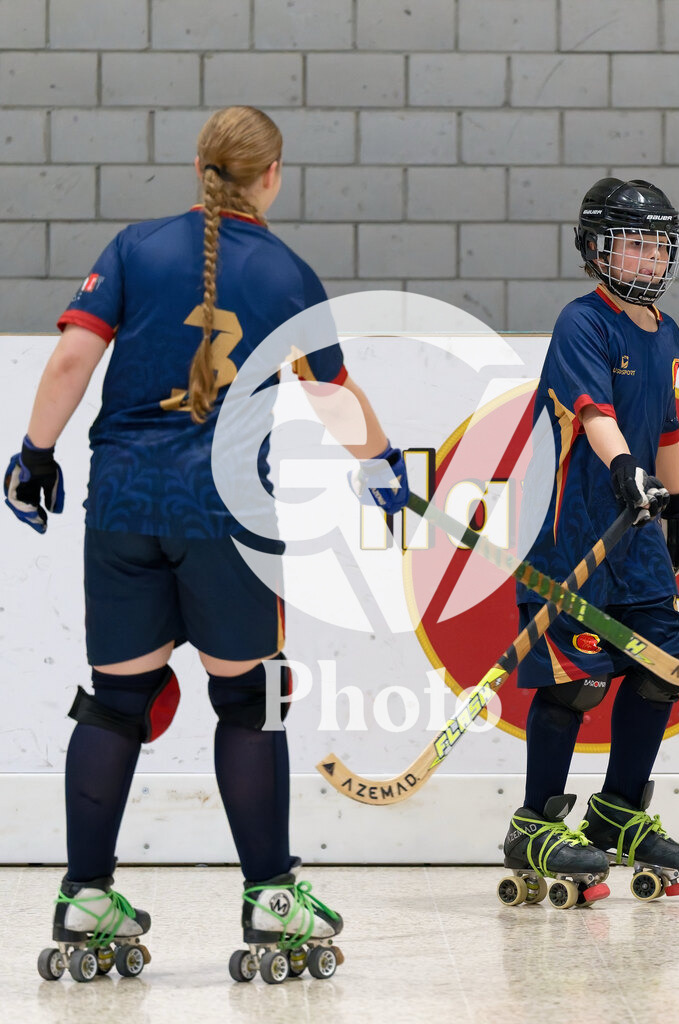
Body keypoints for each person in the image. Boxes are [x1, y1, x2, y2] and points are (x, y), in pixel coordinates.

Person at [4, 105, 409, 983]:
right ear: (272, 177)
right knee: (252, 704)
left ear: (199, 168)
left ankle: (86, 895)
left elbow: (71, 360)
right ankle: (272, 897)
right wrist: (381, 465)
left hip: (124, 506)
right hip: (226, 518)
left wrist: (34, 456)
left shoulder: (134, 248)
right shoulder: (288, 274)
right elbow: (334, 396)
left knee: (115, 703)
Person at [499, 178, 679, 909]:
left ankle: (615, 811)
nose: (649, 258)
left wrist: (676, 501)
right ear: (596, 249)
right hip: (573, 528)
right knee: (574, 683)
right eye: (633, 244)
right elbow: (593, 413)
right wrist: (623, 468)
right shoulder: (581, 322)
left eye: (658, 246)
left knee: (665, 666)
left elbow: (667, 425)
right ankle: (535, 824)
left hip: (636, 534)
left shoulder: (667, 334)